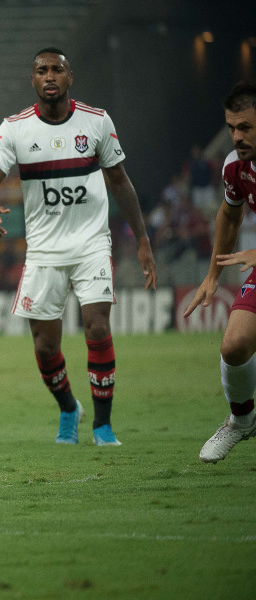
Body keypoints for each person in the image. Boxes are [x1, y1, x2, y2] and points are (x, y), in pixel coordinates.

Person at [0, 47, 156, 446]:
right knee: (44, 346)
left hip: (91, 244)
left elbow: (120, 181)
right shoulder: (14, 129)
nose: (50, 76)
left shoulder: (96, 121)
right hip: (44, 250)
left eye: (57, 69)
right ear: (33, 79)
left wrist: (142, 239)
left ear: (70, 77)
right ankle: (69, 408)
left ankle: (103, 425)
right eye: (42, 70)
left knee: (97, 326)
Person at [184, 81, 256, 463]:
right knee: (233, 345)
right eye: (231, 128)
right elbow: (229, 215)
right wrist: (212, 275)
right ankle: (242, 421)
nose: (237, 136)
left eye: (245, 127)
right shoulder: (235, 166)